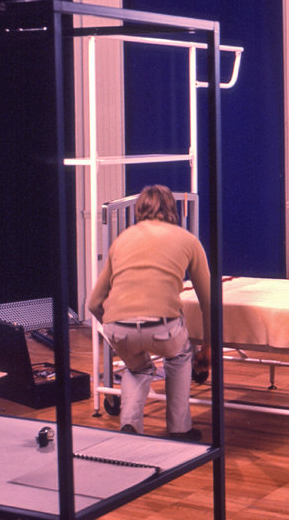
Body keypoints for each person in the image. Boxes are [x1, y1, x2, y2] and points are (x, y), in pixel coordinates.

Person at [87, 185, 212, 440]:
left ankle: (130, 425)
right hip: (162, 327)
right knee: (180, 356)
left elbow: (93, 303)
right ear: (171, 208)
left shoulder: (121, 240)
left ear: (139, 208)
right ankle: (180, 429)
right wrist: (207, 348)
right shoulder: (188, 240)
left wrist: (117, 325)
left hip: (116, 326)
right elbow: (208, 302)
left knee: (138, 369)